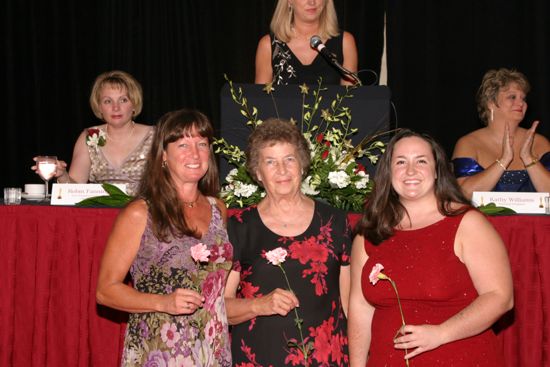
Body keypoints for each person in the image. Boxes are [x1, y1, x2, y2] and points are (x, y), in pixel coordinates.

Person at [348, 129, 513, 366]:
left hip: (460, 358)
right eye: (401, 162)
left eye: (421, 161)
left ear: (437, 171)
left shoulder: (467, 223)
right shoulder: (369, 233)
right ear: (388, 172)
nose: (411, 171)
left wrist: (441, 333)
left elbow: (500, 297)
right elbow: (360, 309)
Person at [96, 109, 232, 366]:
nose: (195, 154)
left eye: (202, 144)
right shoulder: (141, 212)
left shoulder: (218, 209)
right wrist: (163, 302)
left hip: (212, 349)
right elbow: (105, 291)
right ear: (163, 156)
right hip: (159, 350)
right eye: (183, 144)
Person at [225, 118, 351, 366]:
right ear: (258, 173)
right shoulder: (239, 226)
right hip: (259, 358)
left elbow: (349, 307)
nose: (281, 170)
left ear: (302, 165)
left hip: (325, 360)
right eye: (270, 162)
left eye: (289, 159)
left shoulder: (336, 222)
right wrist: (259, 305)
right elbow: (220, 309)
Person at [32, 70, 154, 196]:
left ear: (134, 104)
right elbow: (74, 192)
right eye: (108, 101)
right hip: (99, 214)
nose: (115, 107)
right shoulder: (89, 136)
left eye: (123, 100)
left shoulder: (155, 136)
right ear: (99, 107)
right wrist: (62, 175)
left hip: (145, 213)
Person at [452, 68, 550, 198]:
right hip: (483, 219)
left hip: (536, 219)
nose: (521, 103)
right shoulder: (468, 143)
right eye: (512, 97)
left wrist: (528, 158)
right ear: (491, 104)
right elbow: (463, 195)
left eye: (523, 98)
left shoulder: (539, 142)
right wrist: (504, 160)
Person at [255, 0, 358, 86]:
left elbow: (349, 100)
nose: (312, 2)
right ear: (289, 1)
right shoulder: (268, 45)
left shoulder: (345, 42)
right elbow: (261, 101)